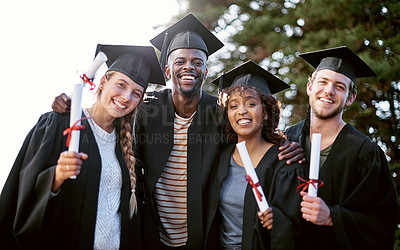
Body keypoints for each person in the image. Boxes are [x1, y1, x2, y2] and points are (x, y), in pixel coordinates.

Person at [51, 14, 304, 249]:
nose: (188, 67)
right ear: (168, 70)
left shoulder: (219, 115)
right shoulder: (146, 110)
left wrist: (284, 143)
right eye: (180, 61)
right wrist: (73, 107)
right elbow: (109, 113)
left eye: (197, 62)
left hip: (203, 237)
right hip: (150, 234)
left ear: (206, 71)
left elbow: (251, 132)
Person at [0, 44, 165, 250]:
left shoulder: (127, 143)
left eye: (136, 93)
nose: (126, 97)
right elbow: (23, 192)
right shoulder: (61, 125)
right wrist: (56, 177)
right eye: (121, 85)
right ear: (103, 81)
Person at [285, 46, 399, 249]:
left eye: (339, 86)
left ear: (350, 98)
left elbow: (382, 223)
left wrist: (332, 217)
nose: (329, 91)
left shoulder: (365, 153)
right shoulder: (287, 139)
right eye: (323, 82)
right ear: (310, 87)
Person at [204, 60, 305, 249]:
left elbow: (300, 228)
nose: (242, 111)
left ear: (266, 112)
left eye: (251, 103)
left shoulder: (285, 163)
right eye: (233, 106)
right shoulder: (220, 157)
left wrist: (278, 221)